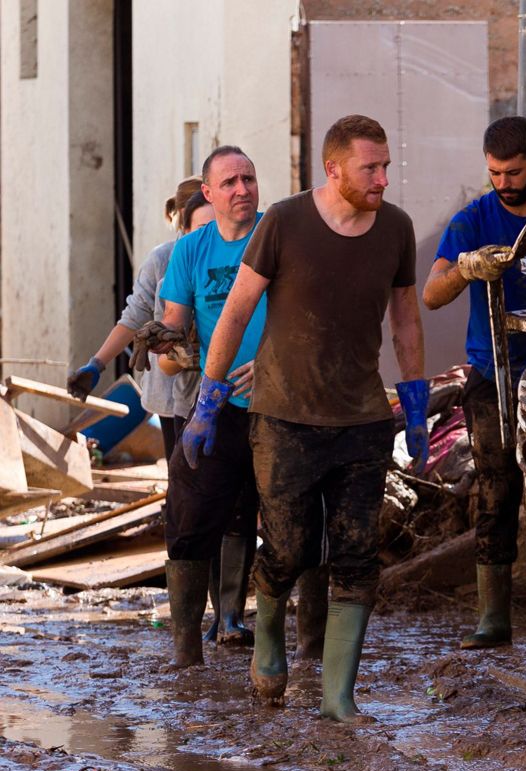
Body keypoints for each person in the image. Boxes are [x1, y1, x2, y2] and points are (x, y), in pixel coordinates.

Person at [199, 115, 427, 723]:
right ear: (334, 169)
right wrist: (207, 398)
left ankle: (337, 696)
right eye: (369, 168)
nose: (383, 178)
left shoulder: (397, 229)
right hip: (284, 417)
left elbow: (405, 319)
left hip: (361, 420)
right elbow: (238, 309)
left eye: (385, 166)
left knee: (356, 555)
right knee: (288, 548)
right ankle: (268, 640)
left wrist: (417, 398)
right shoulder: (285, 221)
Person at [424, 116, 526, 650]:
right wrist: (465, 268)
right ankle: (493, 616)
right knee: (496, 489)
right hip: (493, 372)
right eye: (494, 173)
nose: (504, 183)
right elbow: (432, 293)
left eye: (514, 172)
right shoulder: (473, 218)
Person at [153, 146, 267, 665]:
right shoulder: (191, 251)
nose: (242, 189)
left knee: (299, 524)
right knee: (189, 517)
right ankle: (185, 650)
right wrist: (167, 345)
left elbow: (310, 315)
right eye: (230, 182)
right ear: (208, 193)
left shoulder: (278, 234)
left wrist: (274, 359)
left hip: (282, 407)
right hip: (213, 409)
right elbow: (175, 330)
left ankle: (303, 647)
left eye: (249, 178)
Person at [66, 176, 207, 460]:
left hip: (215, 388)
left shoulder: (228, 256)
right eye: (203, 226)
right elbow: (134, 316)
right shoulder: (163, 260)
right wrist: (97, 364)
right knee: (182, 478)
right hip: (172, 395)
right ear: (184, 220)